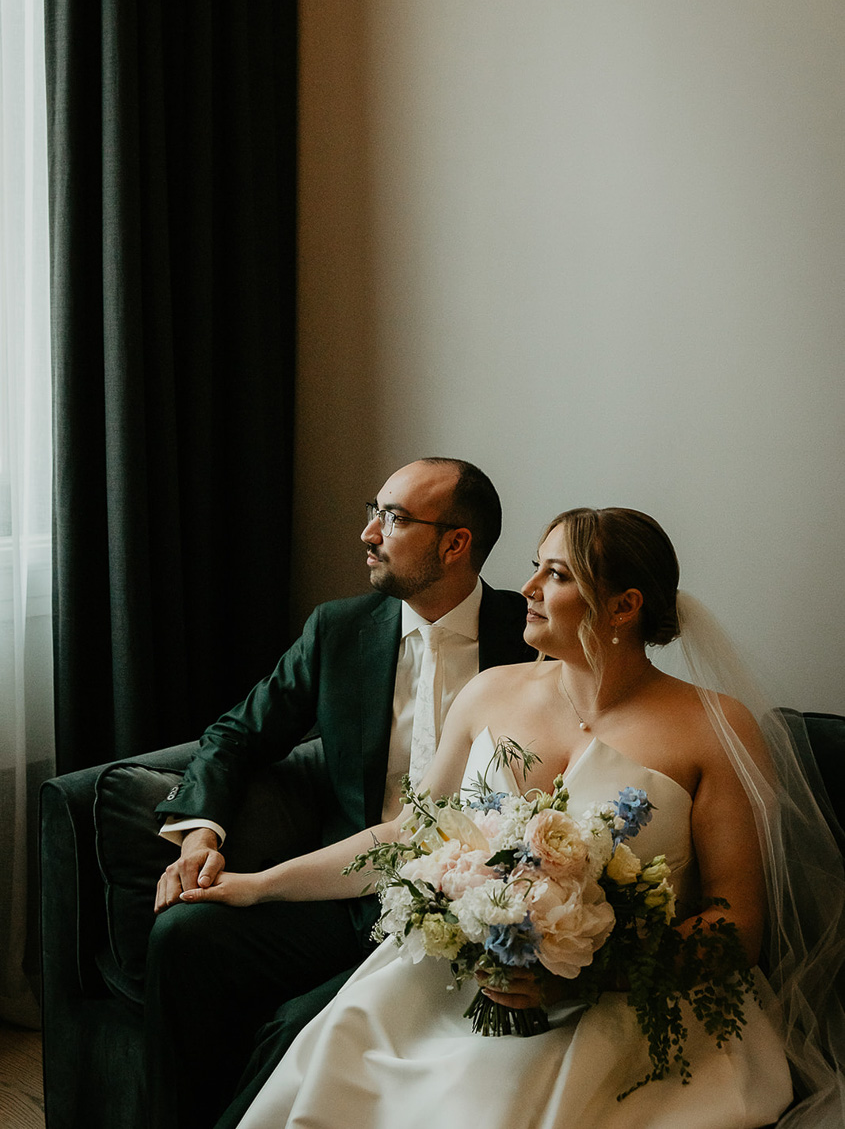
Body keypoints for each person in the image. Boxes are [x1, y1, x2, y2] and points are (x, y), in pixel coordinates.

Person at [178, 506, 845, 1129]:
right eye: (534, 564)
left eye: (554, 573)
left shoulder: (713, 725)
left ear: (623, 605)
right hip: (462, 984)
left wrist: (588, 971)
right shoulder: (489, 692)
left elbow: (739, 923)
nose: (525, 586)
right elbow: (409, 835)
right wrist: (259, 882)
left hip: (631, 1002)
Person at [144, 457, 534, 1129]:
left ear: (455, 542)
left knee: (296, 1029)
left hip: (467, 911)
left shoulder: (527, 639)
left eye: (393, 517)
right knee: (181, 934)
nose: (367, 533)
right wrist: (201, 830)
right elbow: (236, 734)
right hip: (339, 890)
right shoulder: (337, 631)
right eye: (372, 508)